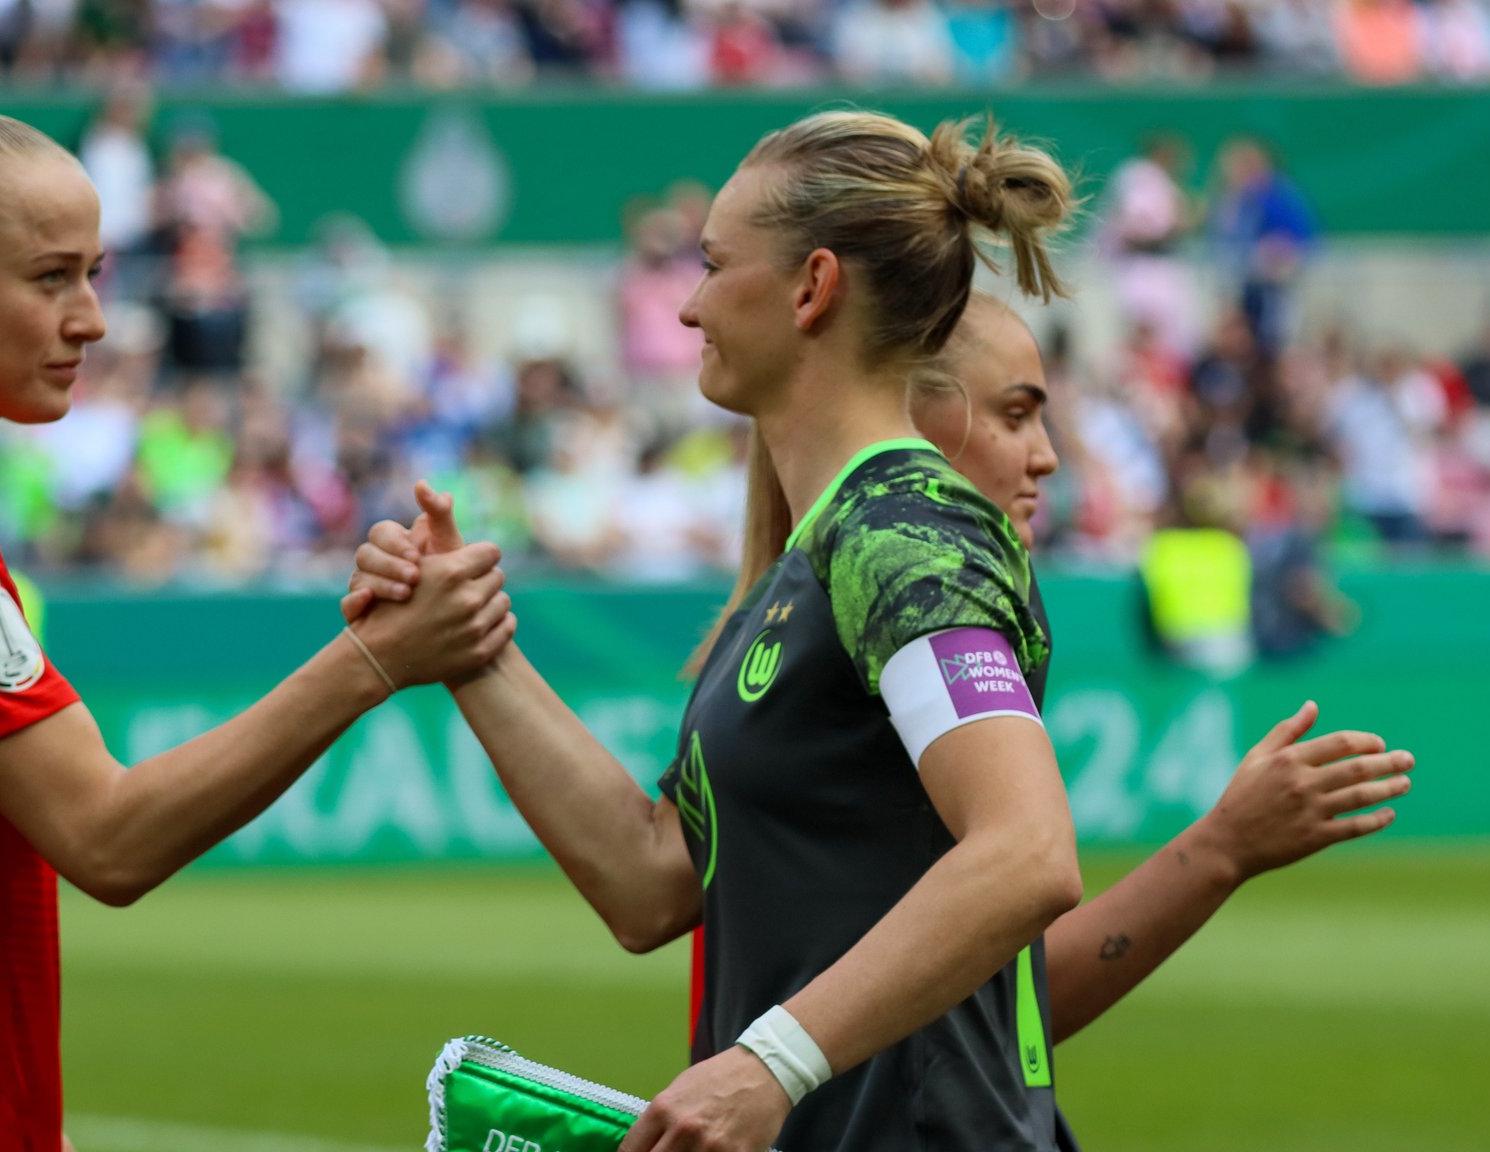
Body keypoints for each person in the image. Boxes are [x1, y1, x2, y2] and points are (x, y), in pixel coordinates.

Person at [0, 80, 515, 1152]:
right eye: (50, 278)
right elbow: (109, 838)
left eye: (95, 272)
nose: (93, 317)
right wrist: (376, 659)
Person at [349, 110, 1086, 1151]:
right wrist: (466, 643)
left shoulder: (904, 530)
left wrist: (767, 1064)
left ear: (810, 287)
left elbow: (1026, 852)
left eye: (710, 264)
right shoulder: (810, 558)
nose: (687, 306)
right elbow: (651, 883)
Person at [906, 294, 1411, 1055]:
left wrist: (1222, 847)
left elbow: (1000, 1013)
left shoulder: (950, 596)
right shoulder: (915, 596)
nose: (1046, 455)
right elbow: (1035, 879)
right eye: (1015, 417)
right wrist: (775, 1064)